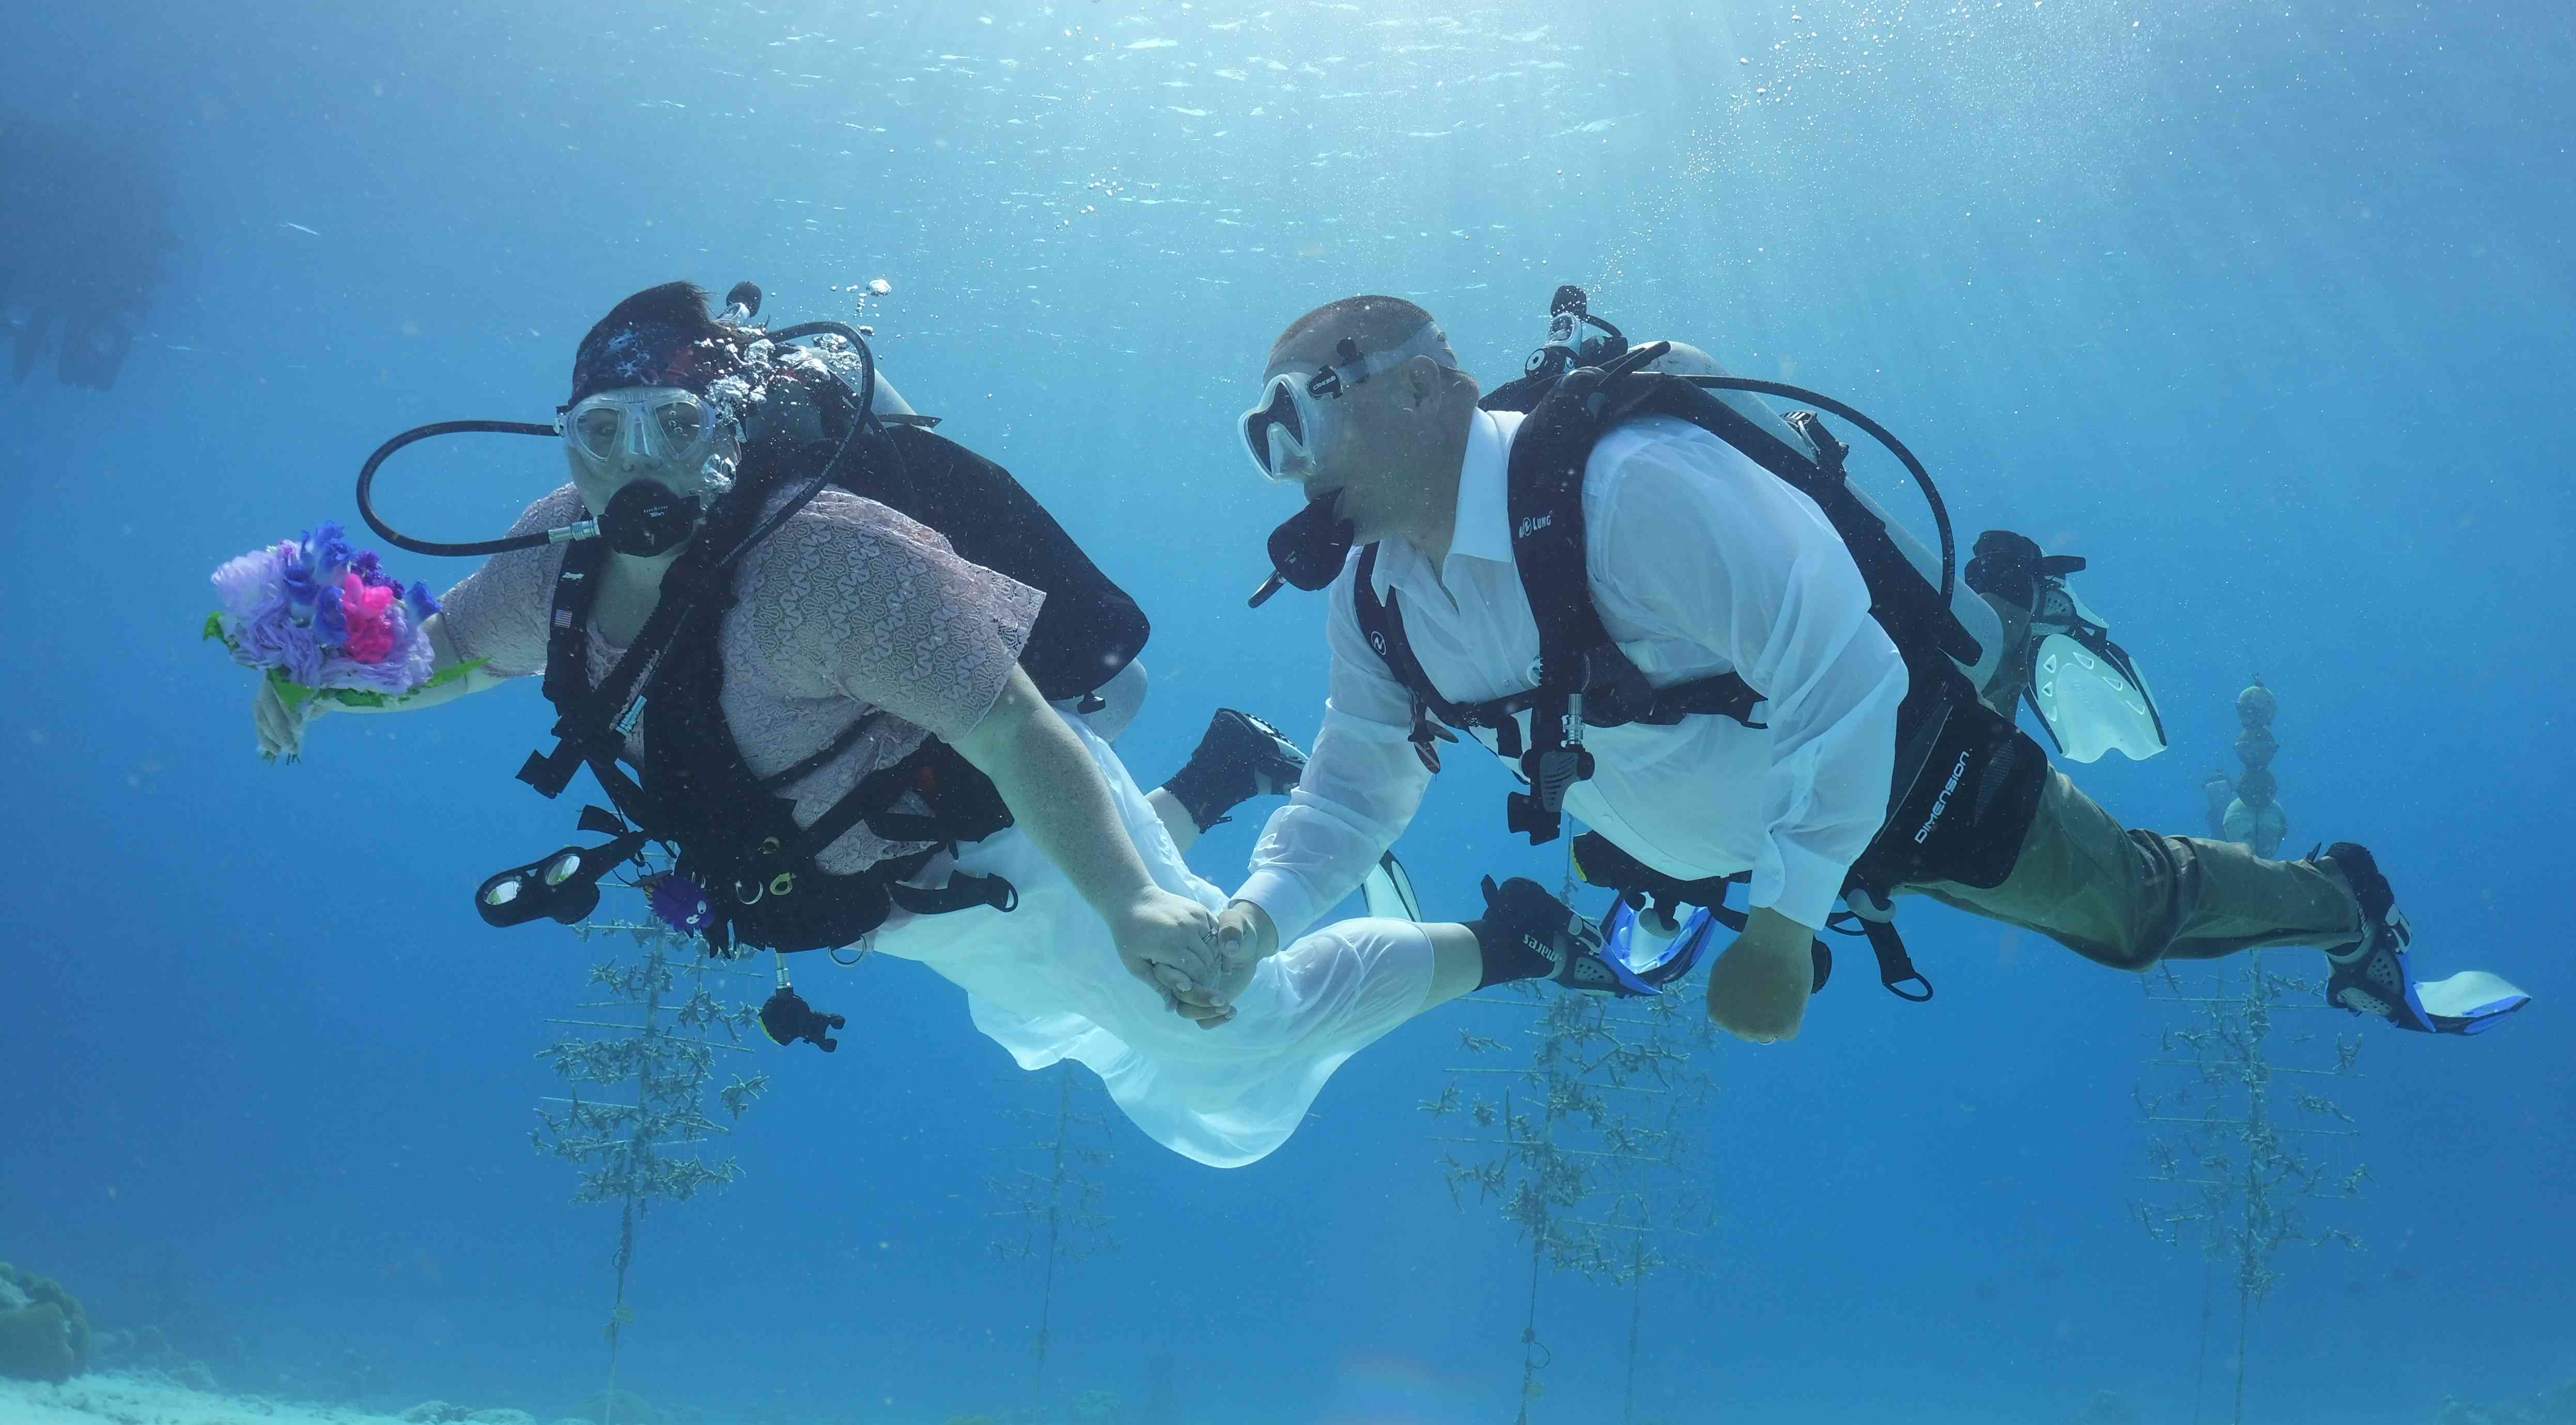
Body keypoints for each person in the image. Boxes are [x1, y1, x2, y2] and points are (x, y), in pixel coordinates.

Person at [249, 282, 1631, 1167]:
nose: (629, 470)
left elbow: (1027, 744)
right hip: (908, 910)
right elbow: (446, 654)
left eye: (667, 425)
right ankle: (1219, 781)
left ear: (722, 427)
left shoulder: (841, 568)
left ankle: (1508, 942)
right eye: (596, 435)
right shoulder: (549, 559)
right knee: (1058, 1037)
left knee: (1225, 1037)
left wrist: (1138, 918)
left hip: (1005, 851)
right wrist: (321, 671)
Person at [1207, 293, 2531, 1046]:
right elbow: (1352, 790)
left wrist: (1785, 931)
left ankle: (2342, 905)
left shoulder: (1642, 497)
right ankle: (1988, 629)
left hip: (1898, 772)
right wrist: (1252, 921)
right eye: (1265, 439)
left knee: (2125, 916)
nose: (1290, 463)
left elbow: (1846, 683)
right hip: (1687, 815)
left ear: (1434, 391)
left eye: (1302, 417)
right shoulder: (1382, 599)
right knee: (1624, 823)